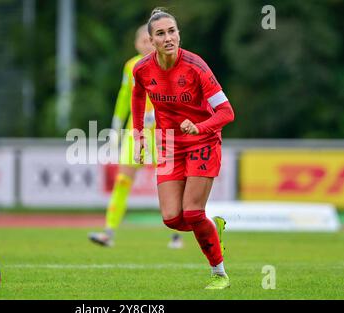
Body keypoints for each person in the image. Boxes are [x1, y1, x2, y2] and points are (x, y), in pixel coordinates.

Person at [132, 8, 235, 289]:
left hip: (202, 141)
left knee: (191, 213)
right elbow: (138, 96)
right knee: (171, 219)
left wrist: (199, 127)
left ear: (179, 34)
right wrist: (139, 136)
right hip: (167, 144)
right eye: (161, 33)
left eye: (172, 31)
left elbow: (227, 113)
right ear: (151, 40)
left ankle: (219, 274)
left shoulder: (196, 67)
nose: (168, 38)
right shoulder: (142, 69)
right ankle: (212, 229)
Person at [89, 25, 184, 249]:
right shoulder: (131, 66)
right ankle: (108, 232)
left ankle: (177, 235)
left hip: (164, 132)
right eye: (142, 40)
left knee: (170, 182)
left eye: (149, 40)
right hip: (137, 131)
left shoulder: (169, 63)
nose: (147, 44)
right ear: (136, 44)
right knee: (122, 181)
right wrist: (115, 125)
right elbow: (124, 96)